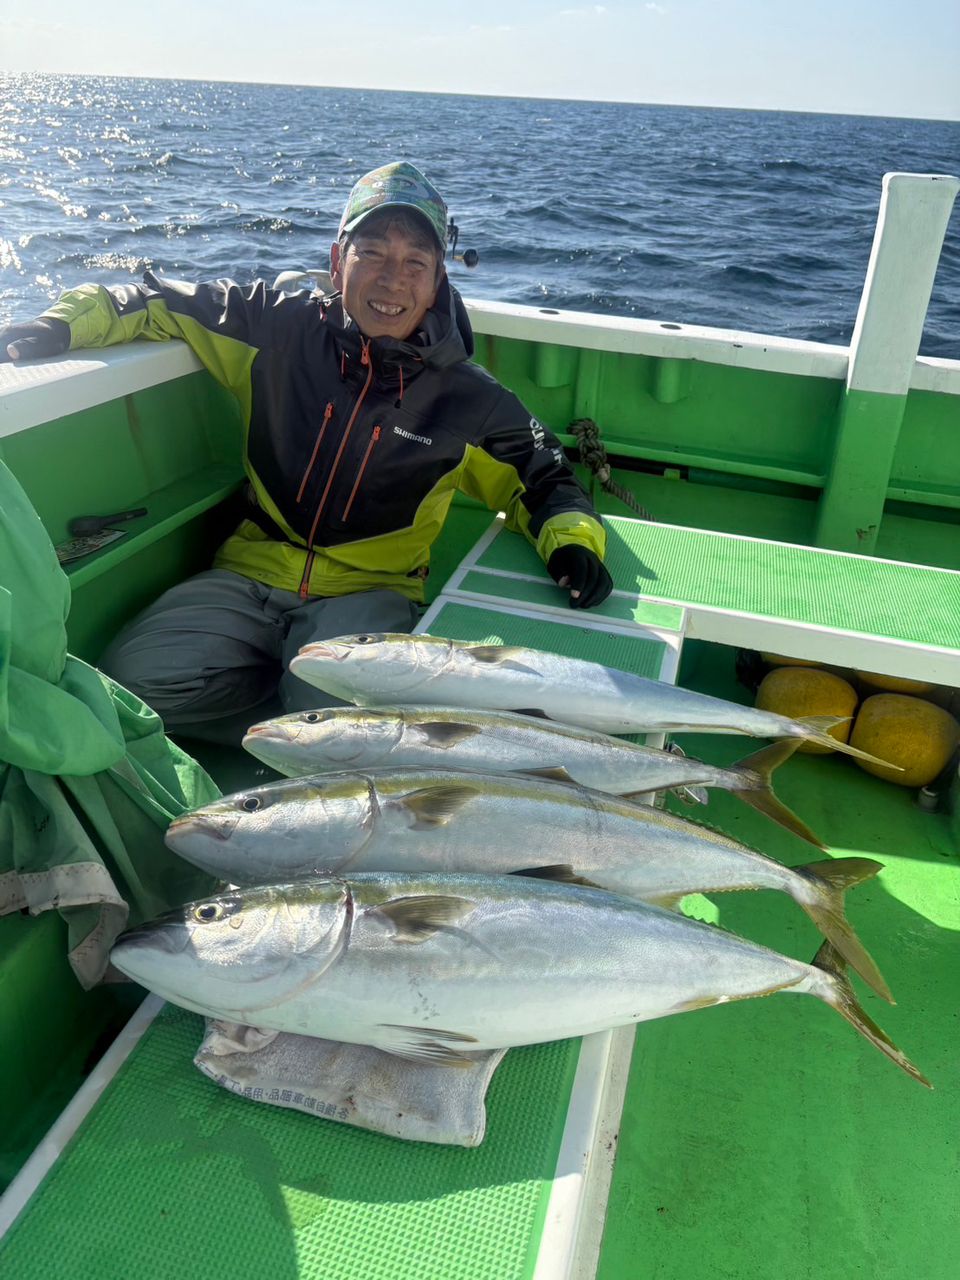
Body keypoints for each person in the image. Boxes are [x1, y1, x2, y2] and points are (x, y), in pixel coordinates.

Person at [0, 161, 613, 742]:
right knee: (124, 691)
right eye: (370, 252)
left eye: (414, 262)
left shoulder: (469, 399)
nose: (391, 279)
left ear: (437, 281)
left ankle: (302, 712)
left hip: (370, 592)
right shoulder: (275, 326)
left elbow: (544, 475)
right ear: (337, 262)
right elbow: (155, 301)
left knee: (339, 732)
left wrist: (573, 544)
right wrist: (61, 324)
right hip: (248, 570)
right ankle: (286, 709)